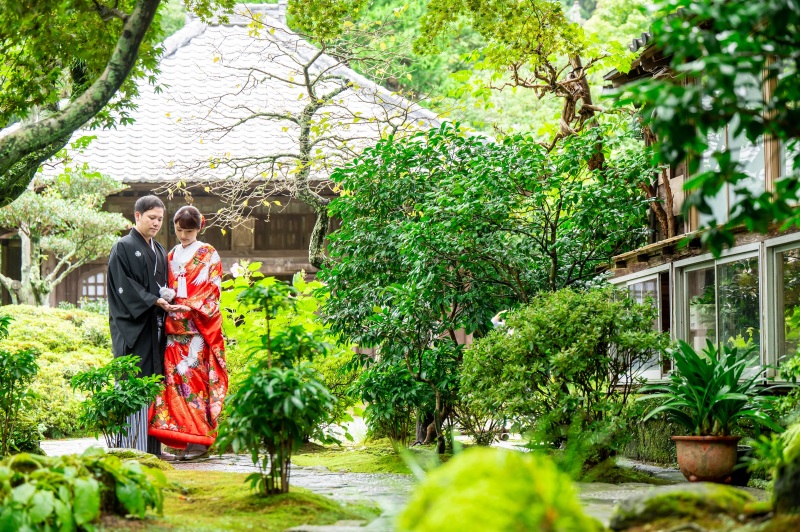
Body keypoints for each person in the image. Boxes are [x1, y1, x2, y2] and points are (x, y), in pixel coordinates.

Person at [149, 205, 228, 460]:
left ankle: (200, 442)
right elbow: (167, 284)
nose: (184, 235)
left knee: (195, 385)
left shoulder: (209, 254)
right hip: (174, 330)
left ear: (199, 228)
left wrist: (190, 305)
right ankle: (181, 438)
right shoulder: (170, 255)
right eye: (180, 230)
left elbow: (214, 290)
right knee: (174, 385)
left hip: (196, 330)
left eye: (189, 231)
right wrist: (167, 296)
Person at [107, 195, 179, 456]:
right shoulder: (123, 246)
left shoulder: (159, 250)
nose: (157, 223)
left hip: (155, 326)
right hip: (133, 328)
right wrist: (153, 299)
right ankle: (131, 447)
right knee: (134, 382)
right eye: (152, 217)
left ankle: (153, 448)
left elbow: (163, 284)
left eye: (160, 219)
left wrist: (168, 296)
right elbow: (123, 287)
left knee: (154, 384)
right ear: (136, 216)